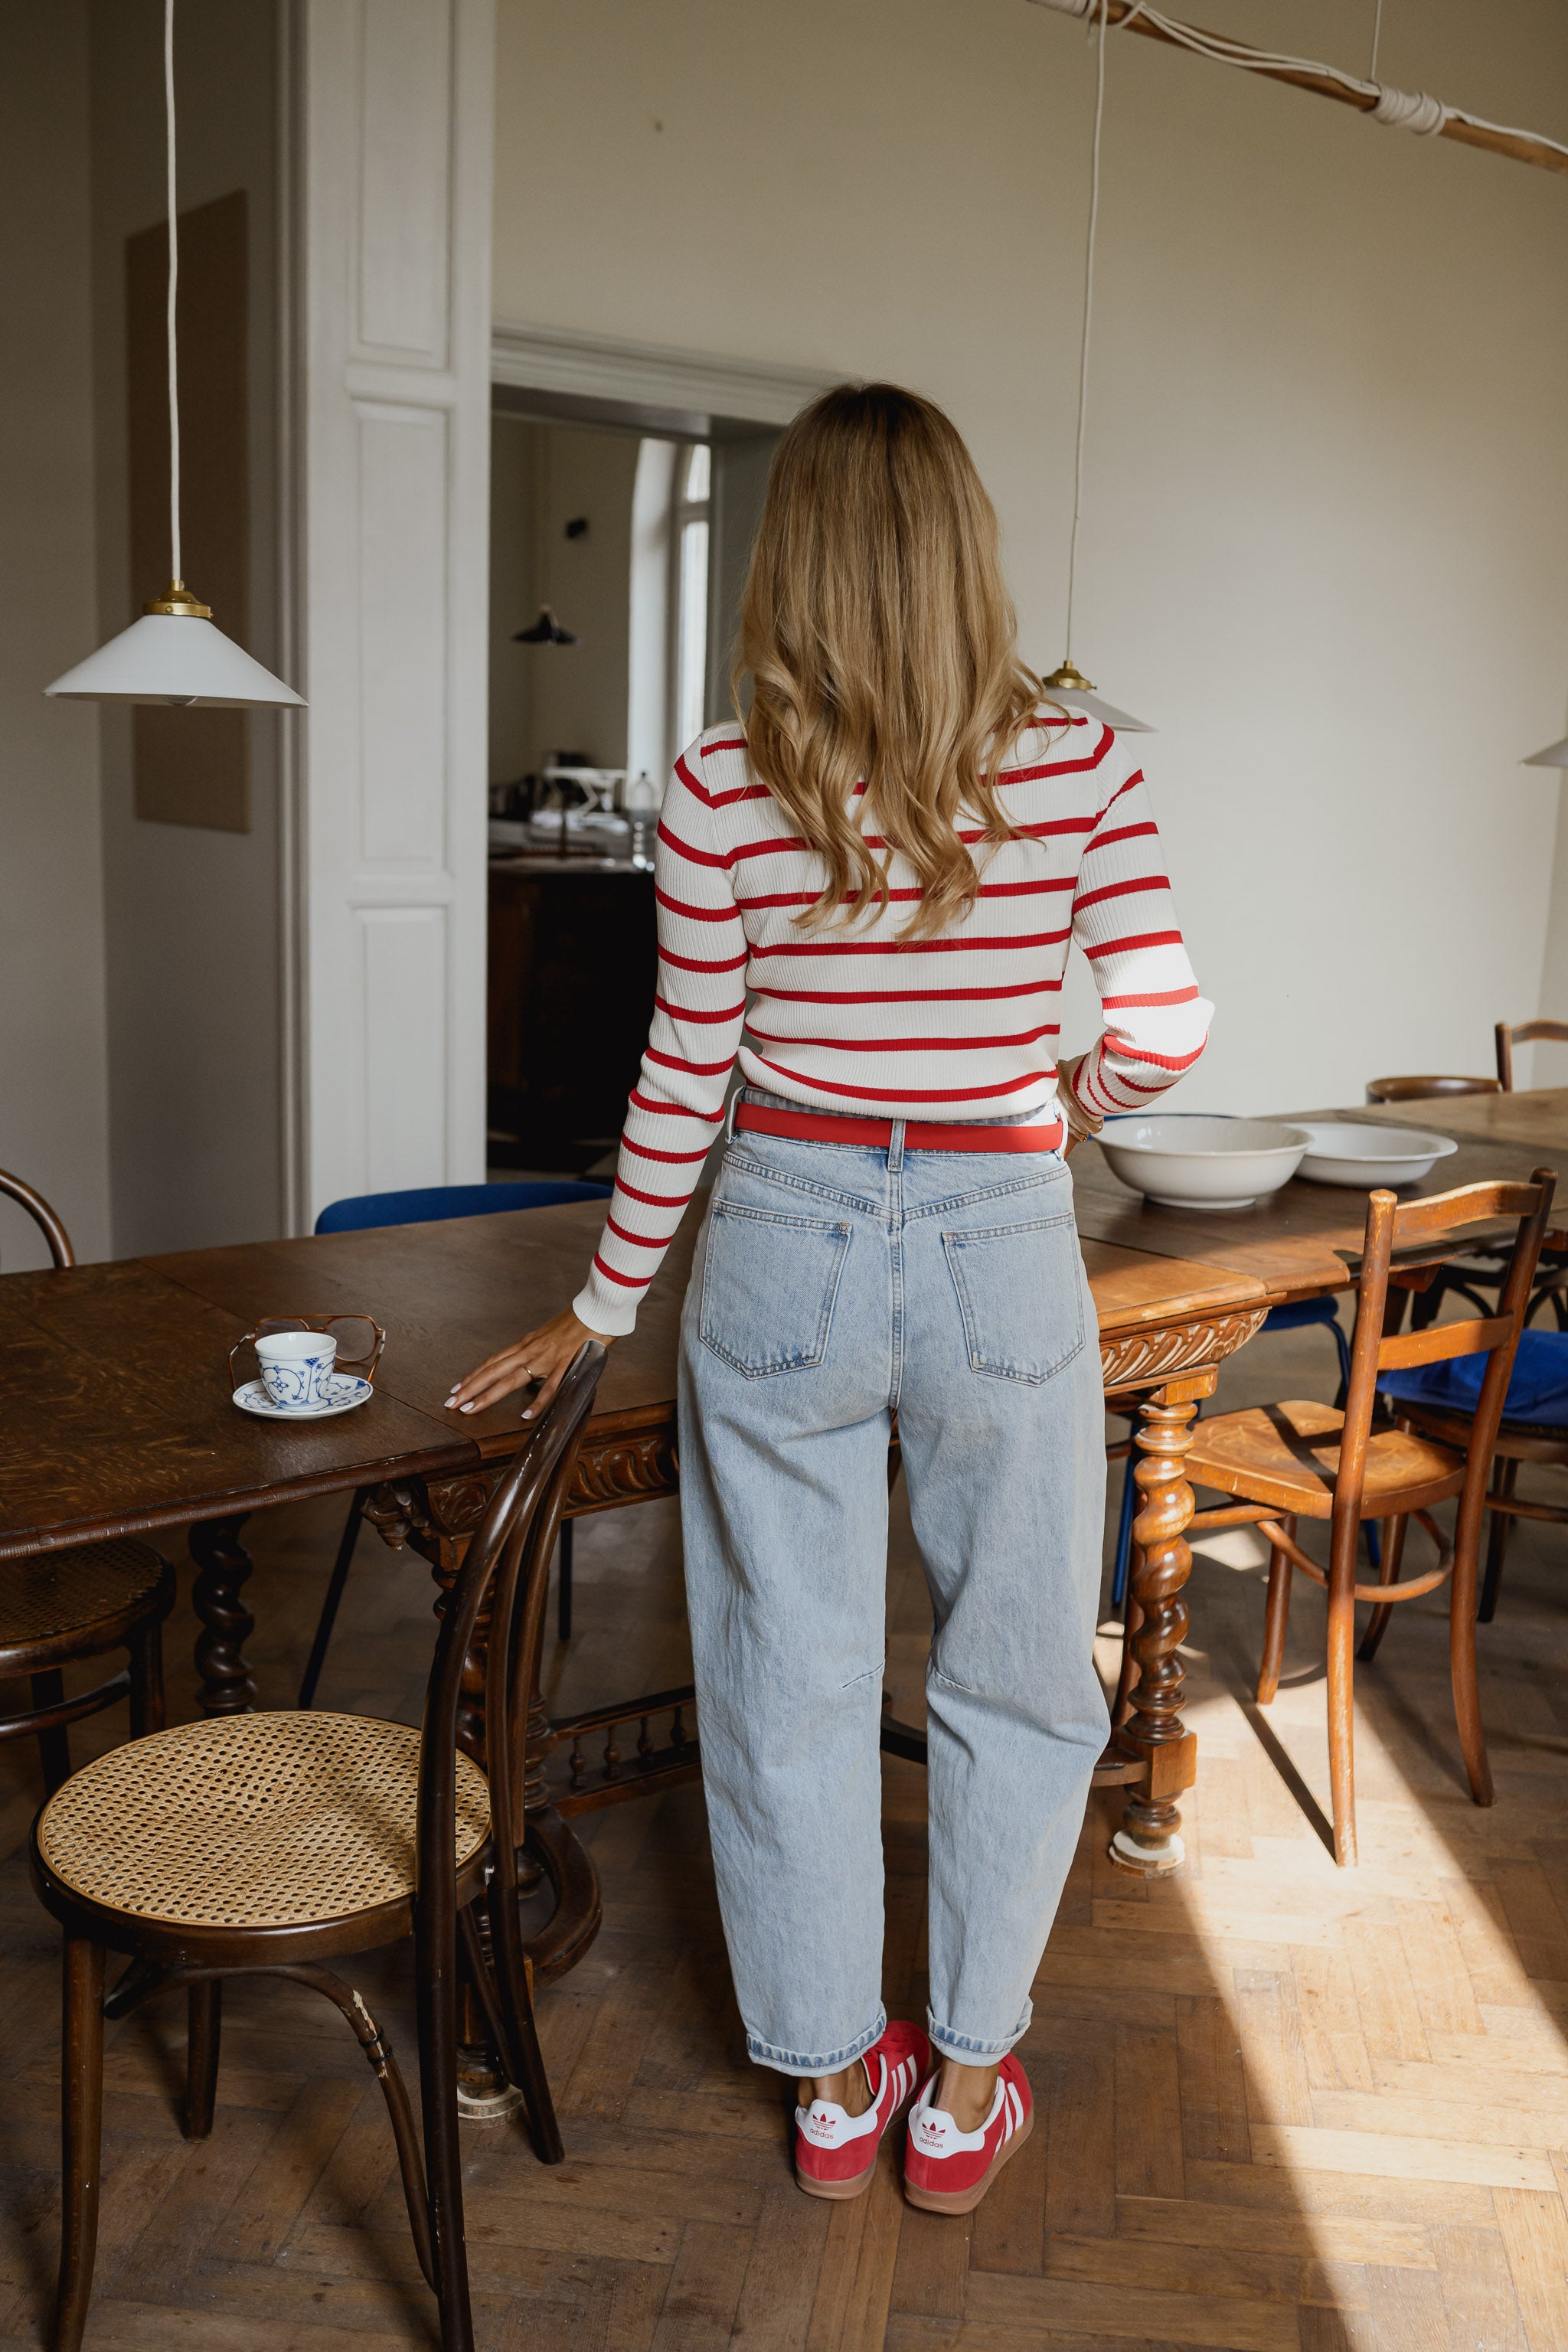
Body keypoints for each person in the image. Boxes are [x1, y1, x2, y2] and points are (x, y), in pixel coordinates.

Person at [449, 383, 1210, 2213]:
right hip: (999, 1236)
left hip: (778, 1228)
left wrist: (604, 1301)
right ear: (969, 550)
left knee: (782, 1674)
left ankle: (826, 2090)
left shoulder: (724, 780)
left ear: (788, 559)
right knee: (1017, 1675)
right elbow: (1169, 1035)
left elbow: (682, 1072)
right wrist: (1057, 1106)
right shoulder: (1082, 764)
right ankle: (959, 2089)